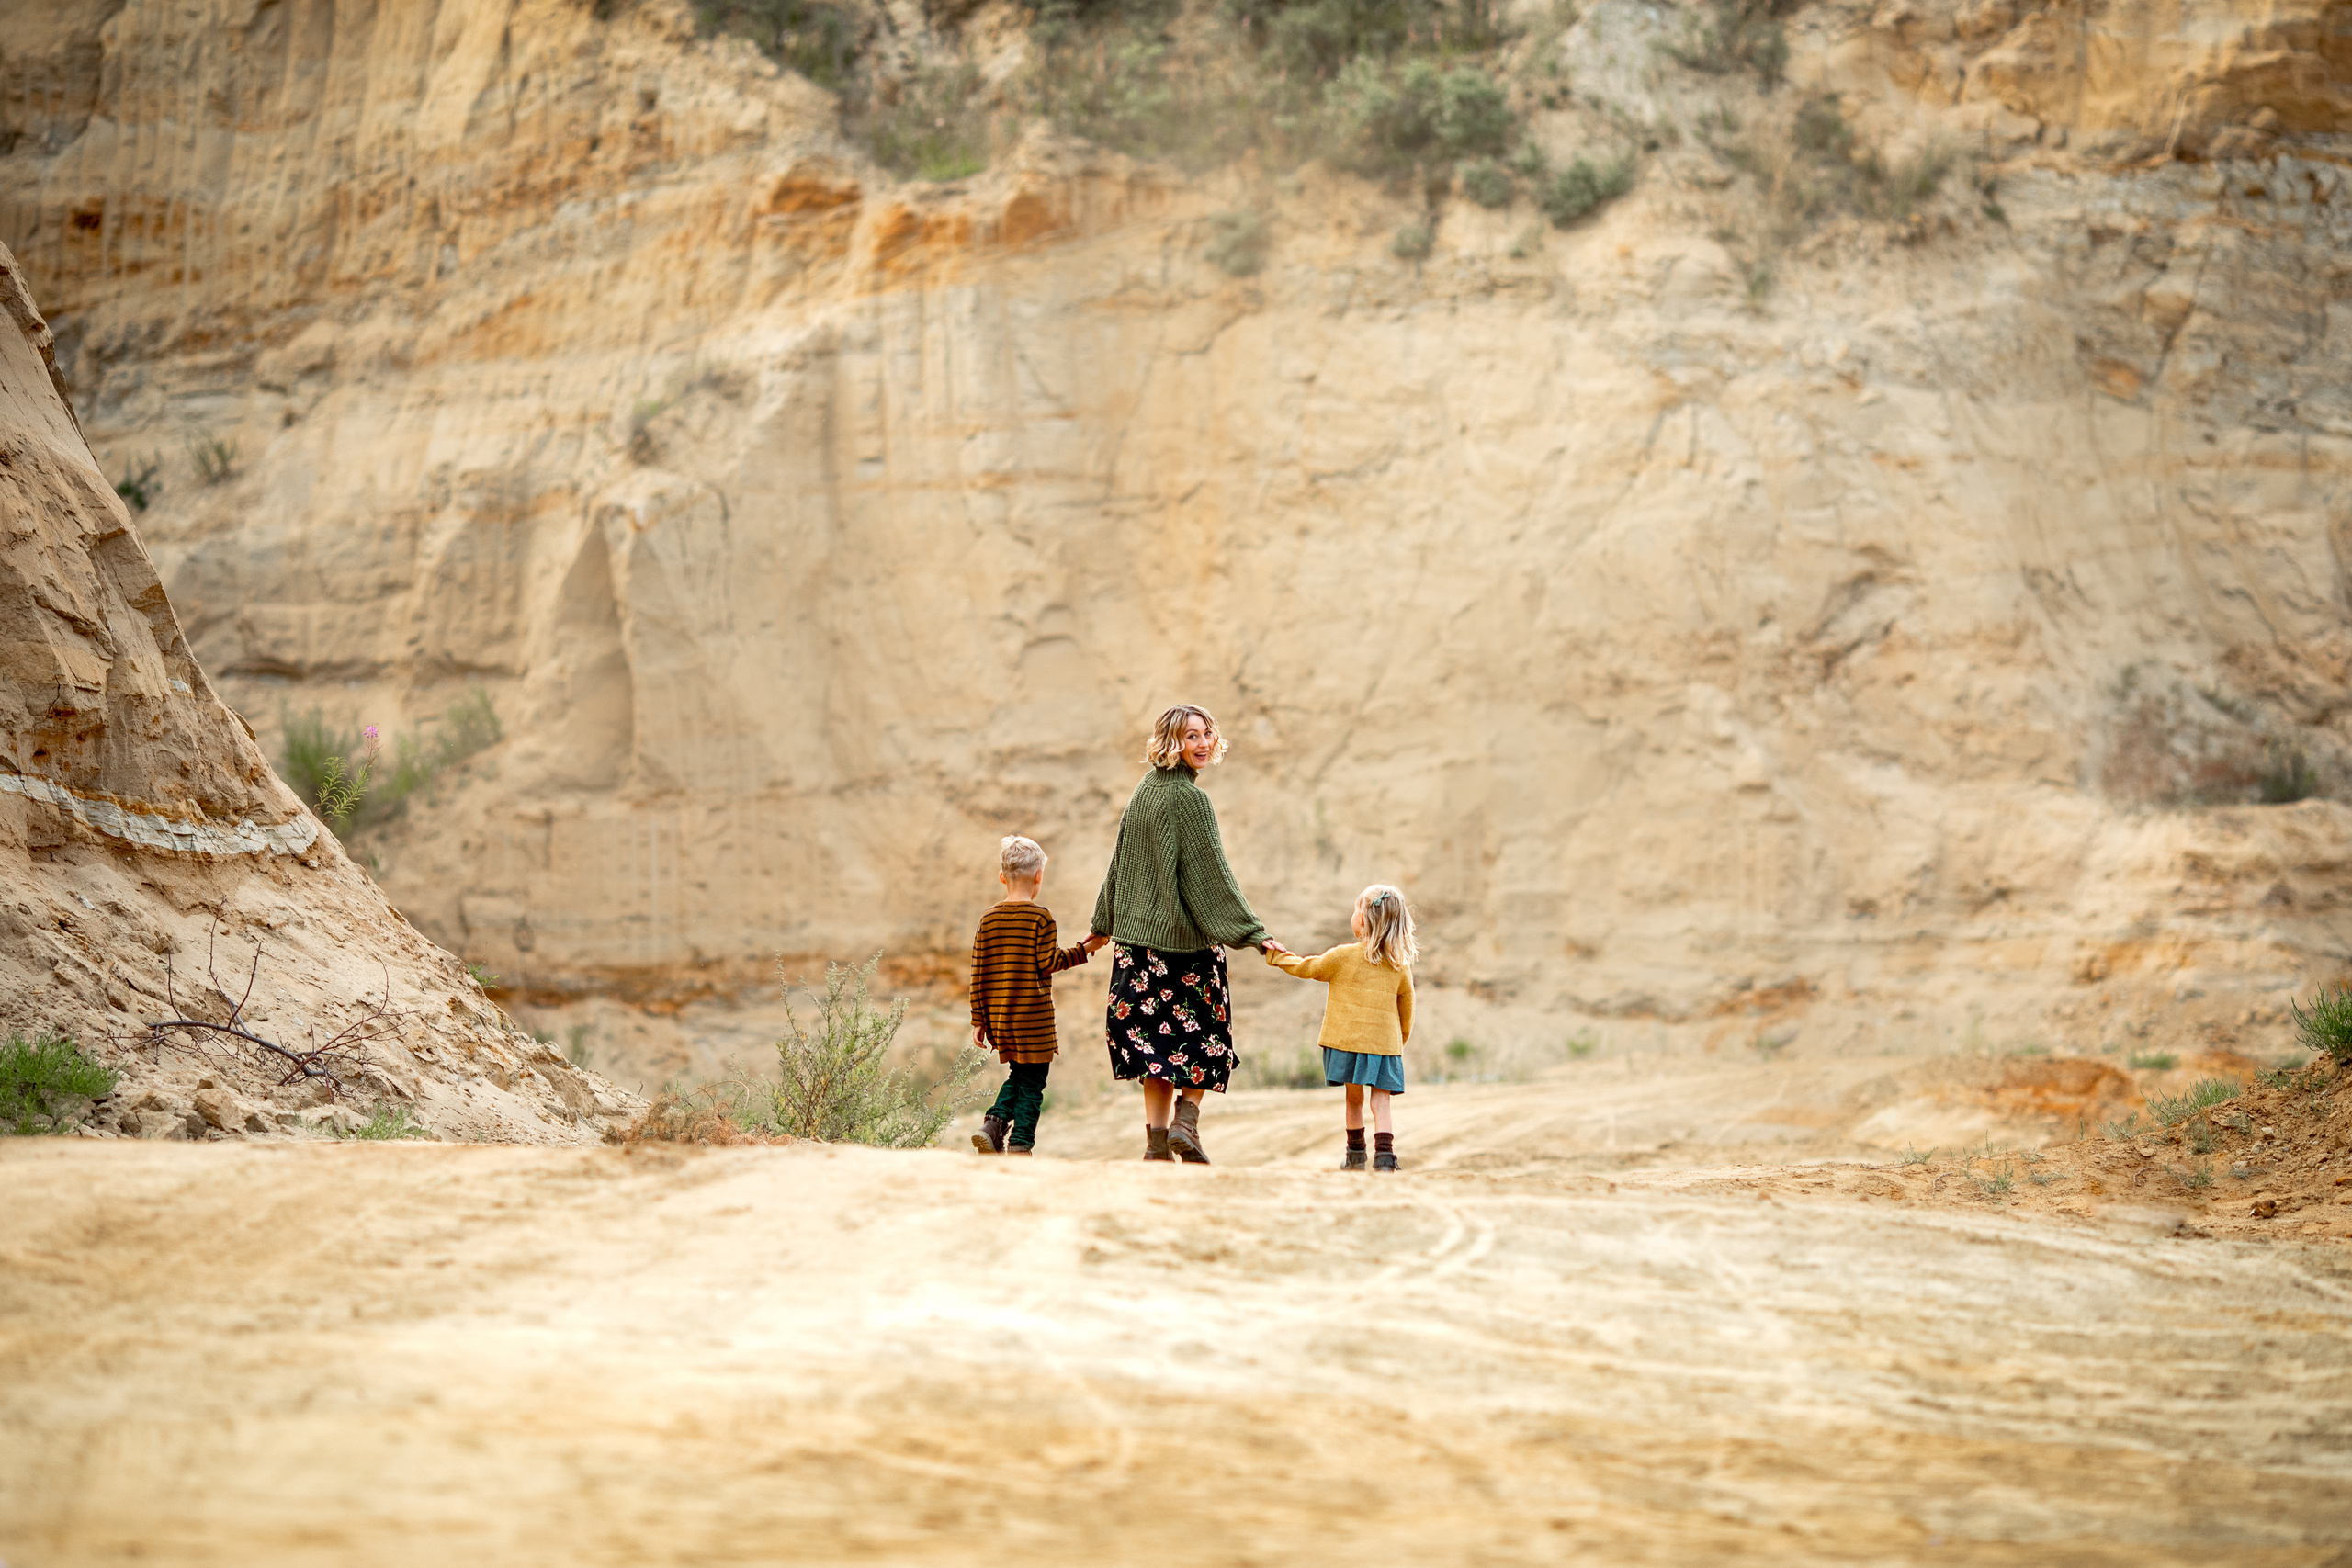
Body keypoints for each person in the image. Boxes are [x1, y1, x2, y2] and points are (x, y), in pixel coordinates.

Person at [1090, 704, 1272, 1164]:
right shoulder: (1193, 801)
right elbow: (1210, 877)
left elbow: (1119, 866)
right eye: (1191, 736)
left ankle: (1155, 1147)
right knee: (1209, 1038)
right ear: (1171, 743)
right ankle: (1186, 1122)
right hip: (1186, 949)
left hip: (1137, 947)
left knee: (1154, 1048)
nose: (1204, 743)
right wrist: (1253, 933)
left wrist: (1103, 925)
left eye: (1207, 734)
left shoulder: (1143, 792)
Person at [1263, 884, 1417, 1172]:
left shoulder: (1342, 957)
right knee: (1381, 1102)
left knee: (1353, 1099)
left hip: (1346, 1043)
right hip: (1383, 1046)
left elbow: (1305, 967)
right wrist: (1398, 1044)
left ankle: (1355, 1155)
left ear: (1362, 920)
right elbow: (1406, 1012)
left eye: (1355, 909)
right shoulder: (1400, 967)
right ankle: (1385, 1158)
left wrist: (1274, 955)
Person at [969, 834, 1106, 1156]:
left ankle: (992, 1126)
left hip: (1001, 1019)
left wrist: (978, 1019)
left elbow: (978, 973)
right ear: (1038, 876)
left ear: (1002, 877)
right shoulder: (1040, 918)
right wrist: (1087, 948)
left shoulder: (987, 919)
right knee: (1032, 1083)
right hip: (1035, 1020)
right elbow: (1050, 962)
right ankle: (1020, 1145)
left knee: (1019, 1074)